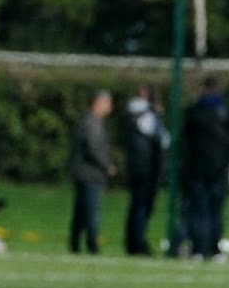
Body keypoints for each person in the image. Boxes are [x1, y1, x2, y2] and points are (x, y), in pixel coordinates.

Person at [181, 76, 229, 260]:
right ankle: (214, 248)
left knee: (199, 209)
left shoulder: (195, 110)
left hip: (197, 167)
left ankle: (198, 248)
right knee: (216, 210)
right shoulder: (226, 111)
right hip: (219, 167)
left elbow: (186, 139)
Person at [67, 89, 116, 255]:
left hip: (85, 174)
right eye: (108, 103)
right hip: (90, 175)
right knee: (91, 213)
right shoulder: (92, 123)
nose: (110, 107)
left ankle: (75, 244)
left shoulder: (92, 122)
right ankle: (92, 245)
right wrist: (107, 165)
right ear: (98, 103)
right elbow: (93, 148)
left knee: (82, 213)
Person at [122, 84, 167, 256]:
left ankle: (134, 241)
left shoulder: (132, 112)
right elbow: (160, 138)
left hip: (137, 165)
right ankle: (138, 243)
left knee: (136, 205)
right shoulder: (146, 114)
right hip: (147, 166)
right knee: (142, 206)